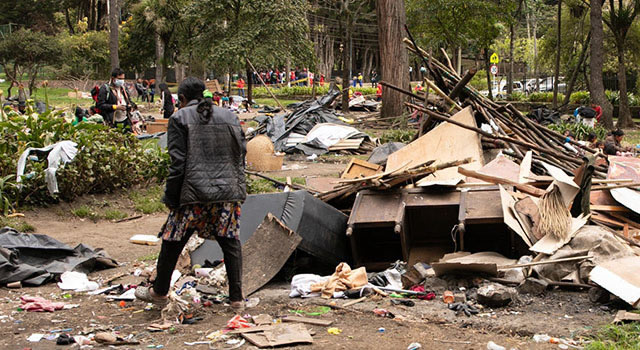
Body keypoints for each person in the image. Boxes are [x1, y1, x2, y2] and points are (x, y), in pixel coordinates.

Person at [134, 77, 246, 310]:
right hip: (226, 192)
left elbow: (178, 163)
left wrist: (171, 197)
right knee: (230, 243)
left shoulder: (178, 118)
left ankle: (160, 292)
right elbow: (241, 154)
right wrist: (237, 187)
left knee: (172, 241)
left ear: (182, 99)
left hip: (192, 194)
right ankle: (236, 299)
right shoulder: (229, 116)